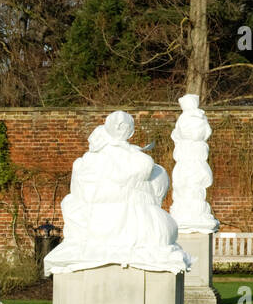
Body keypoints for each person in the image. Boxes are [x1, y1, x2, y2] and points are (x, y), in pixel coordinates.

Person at [44, 109, 191, 275]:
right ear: (131, 132)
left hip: (104, 222)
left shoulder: (90, 162)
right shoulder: (142, 162)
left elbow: (80, 192)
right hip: (123, 222)